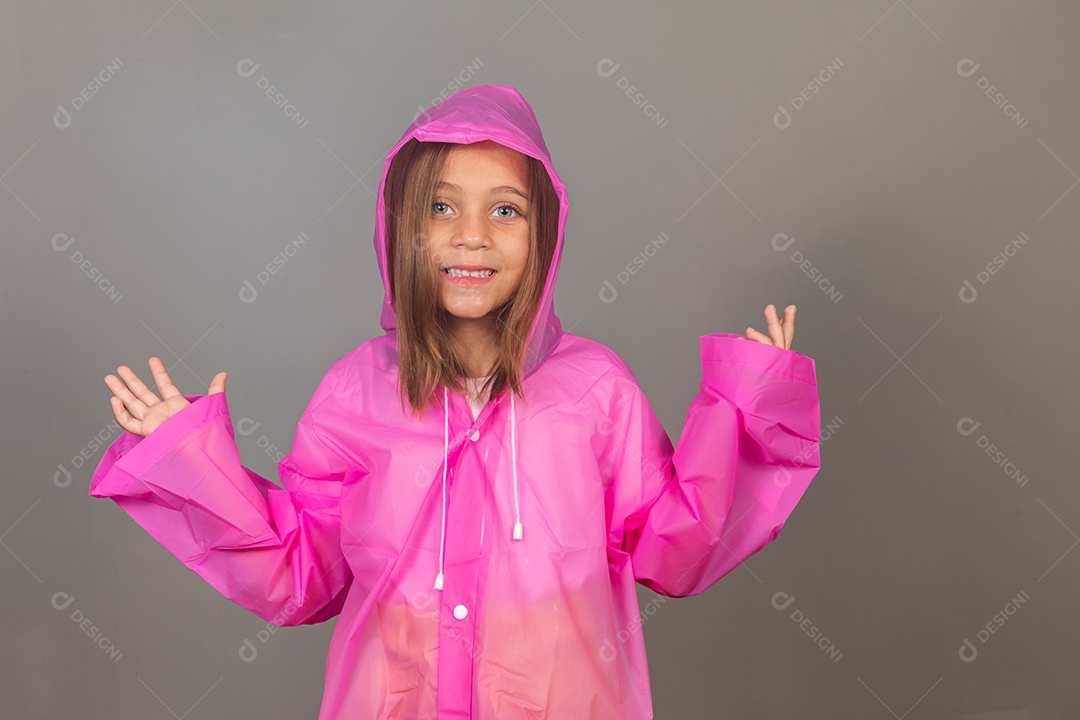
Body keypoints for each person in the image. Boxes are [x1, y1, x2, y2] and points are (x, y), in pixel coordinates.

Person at [91, 84, 821, 719]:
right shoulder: (355, 393)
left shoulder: (597, 392)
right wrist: (190, 462)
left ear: (545, 236)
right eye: (442, 206)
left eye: (506, 211)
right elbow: (298, 574)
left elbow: (678, 546)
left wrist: (742, 411)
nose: (472, 236)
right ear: (403, 227)